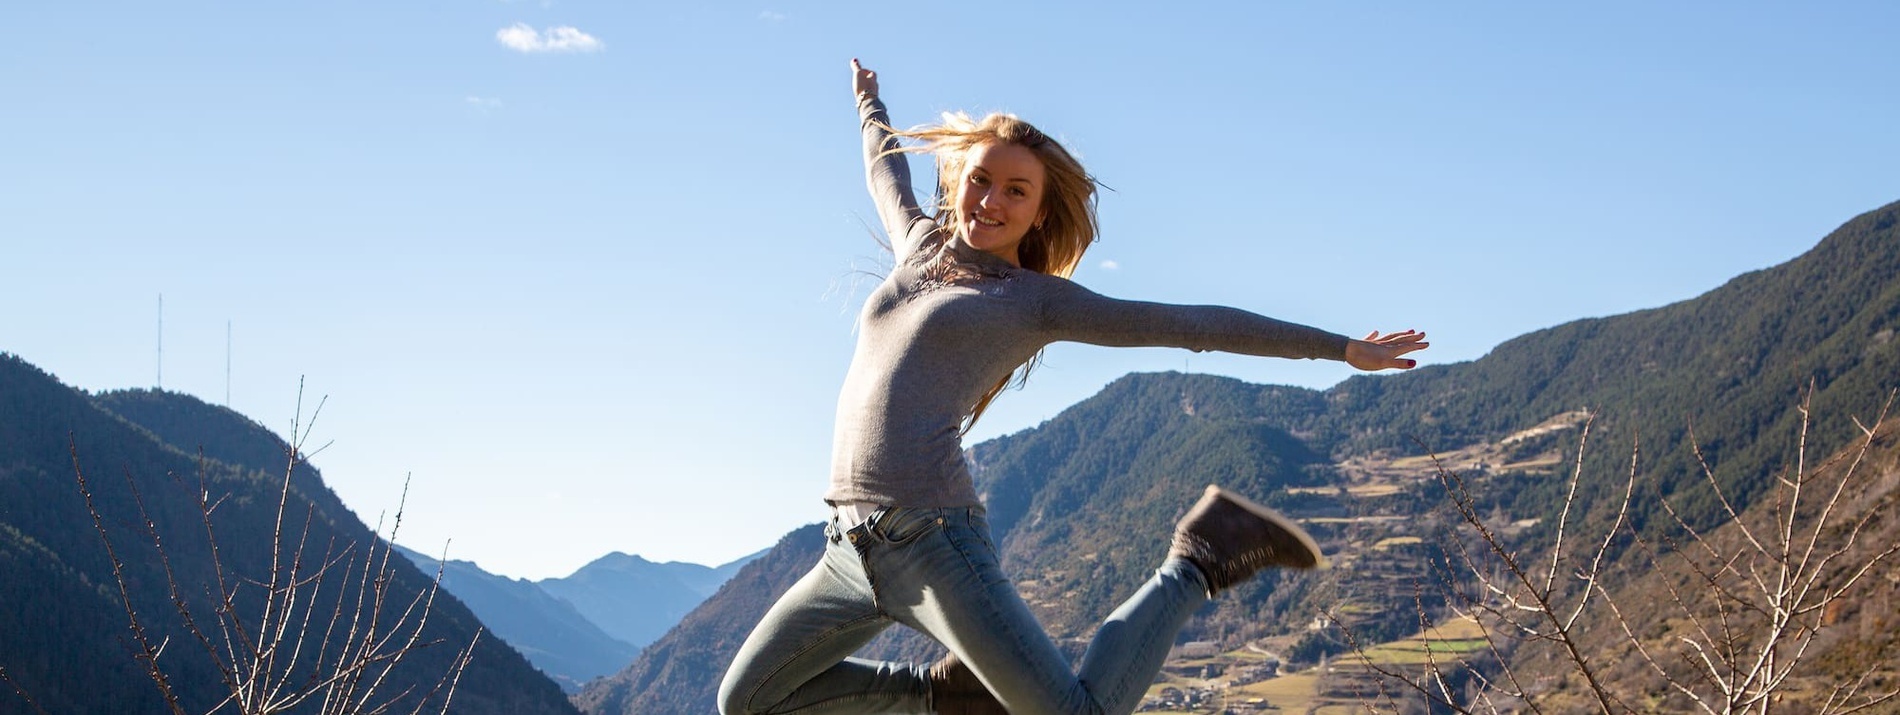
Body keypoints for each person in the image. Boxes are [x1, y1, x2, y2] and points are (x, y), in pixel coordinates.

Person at [717, 59, 1429, 715]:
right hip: (847, 545)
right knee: (745, 700)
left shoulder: (1033, 301)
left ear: (1038, 213)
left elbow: (1193, 323)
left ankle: (1198, 560)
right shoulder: (922, 246)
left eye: (1016, 191)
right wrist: (869, 102)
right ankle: (946, 700)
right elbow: (884, 170)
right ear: (960, 177)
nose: (991, 200)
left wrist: (1339, 348)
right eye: (981, 179)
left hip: (933, 541)